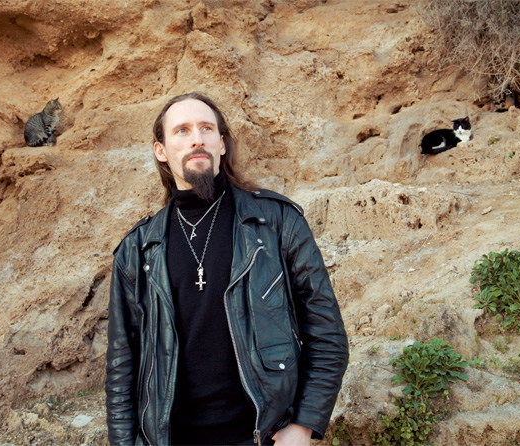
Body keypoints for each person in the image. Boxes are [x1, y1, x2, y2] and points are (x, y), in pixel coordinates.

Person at [106, 92, 349, 446]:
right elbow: (121, 366)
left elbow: (326, 334)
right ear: (161, 151)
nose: (197, 139)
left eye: (207, 128)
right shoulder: (136, 249)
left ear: (221, 144)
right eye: (182, 130)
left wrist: (303, 425)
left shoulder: (276, 222)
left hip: (264, 436)